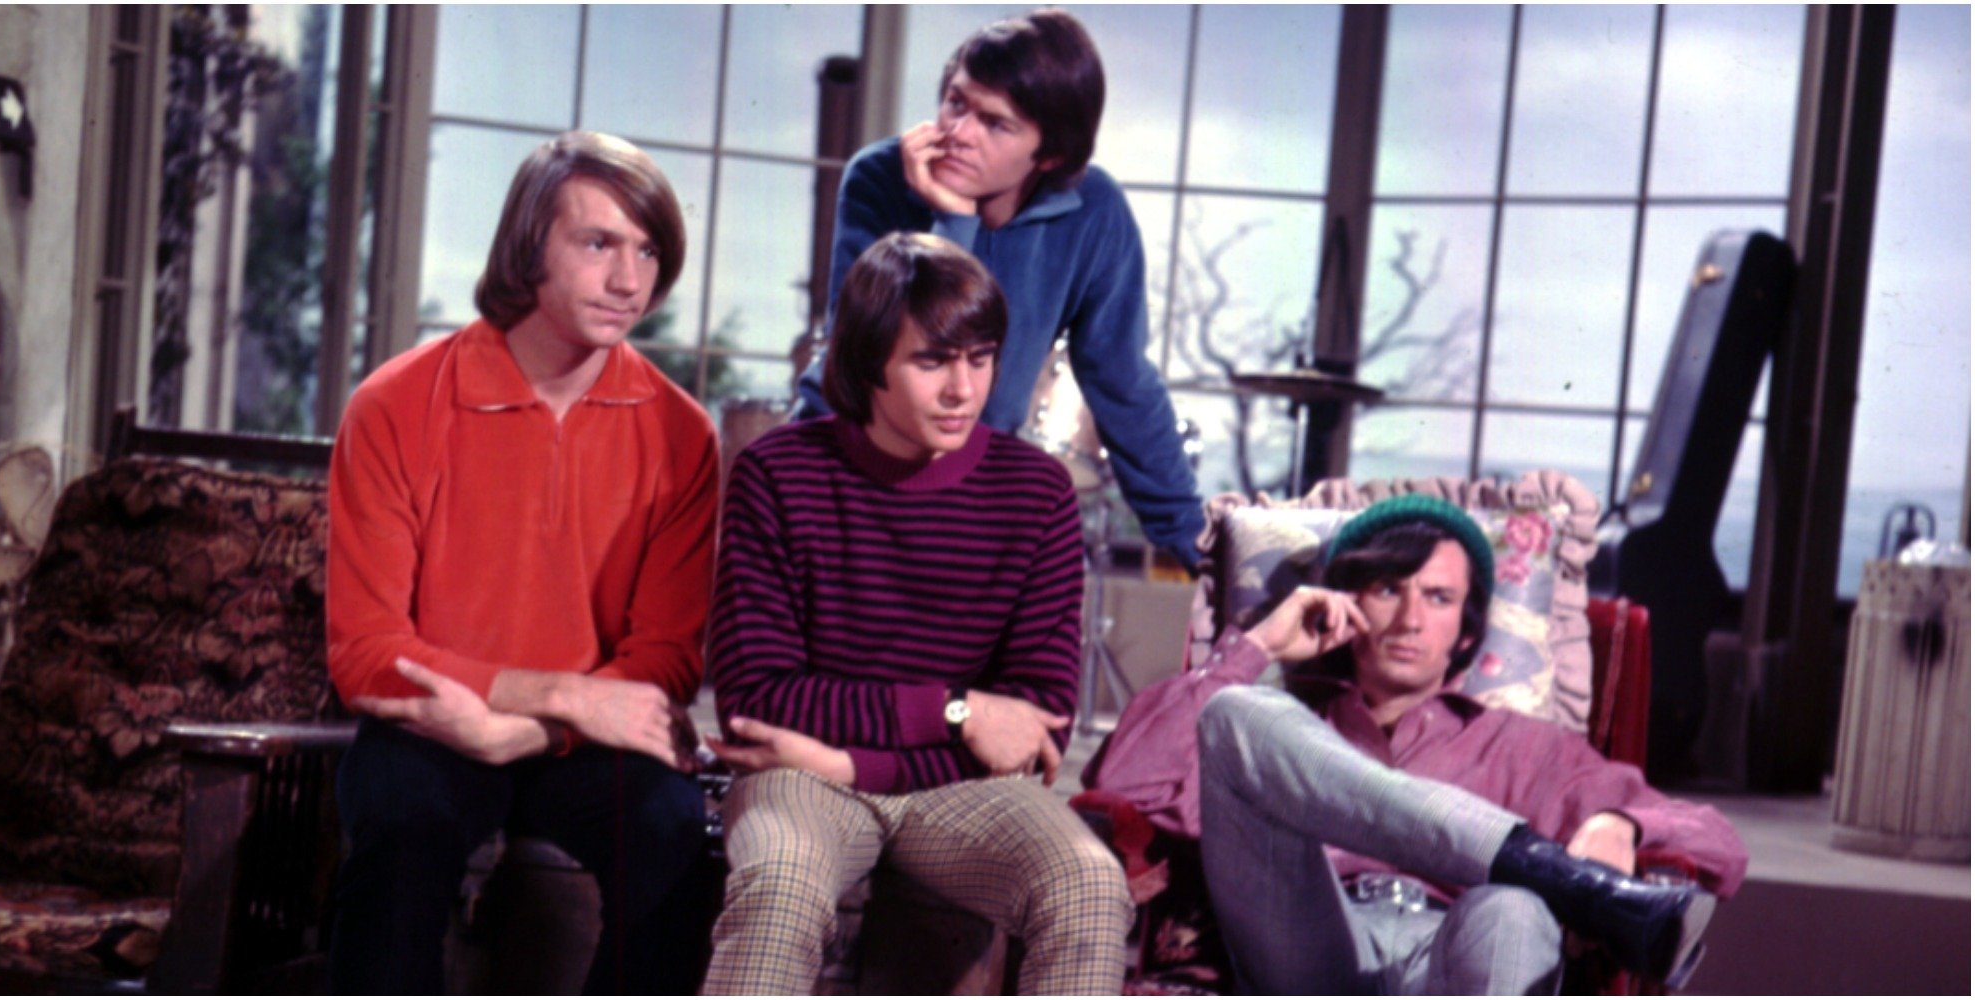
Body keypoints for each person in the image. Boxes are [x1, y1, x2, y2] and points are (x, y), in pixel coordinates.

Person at [323, 131, 719, 993]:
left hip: (587, 744)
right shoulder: (395, 405)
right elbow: (364, 650)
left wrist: (535, 726)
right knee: (399, 826)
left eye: (647, 249)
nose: (629, 280)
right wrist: (557, 695)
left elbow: (670, 654)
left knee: (674, 832)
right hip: (437, 728)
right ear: (526, 246)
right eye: (598, 243)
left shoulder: (683, 434)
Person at [1090, 495, 1748, 994]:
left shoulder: (1524, 747)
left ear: (1467, 629)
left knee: (1515, 907)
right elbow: (1125, 783)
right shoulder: (1279, 729)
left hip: (1455, 950)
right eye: (1386, 590)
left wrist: (1617, 821)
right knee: (1236, 711)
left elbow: (1715, 842)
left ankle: (1539, 880)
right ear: (1345, 601)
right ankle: (1560, 878)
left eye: (1437, 598)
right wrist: (1254, 648)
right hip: (1308, 939)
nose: (1409, 619)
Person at [702, 232, 1131, 995]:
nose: (963, 389)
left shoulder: (1035, 493)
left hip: (924, 784)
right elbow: (758, 696)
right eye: (931, 362)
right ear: (869, 363)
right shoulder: (778, 473)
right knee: (779, 887)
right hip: (803, 784)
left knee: (1089, 884)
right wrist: (960, 712)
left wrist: (852, 763)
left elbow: (1035, 728)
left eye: (980, 357)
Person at [793, 8, 1204, 570]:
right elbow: (873, 359)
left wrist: (1195, 542)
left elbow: (1122, 380)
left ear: (1051, 153)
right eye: (956, 102)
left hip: (963, 486)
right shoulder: (880, 176)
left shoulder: (1095, 212)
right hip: (839, 468)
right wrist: (951, 218)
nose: (958, 133)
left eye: (995, 123)